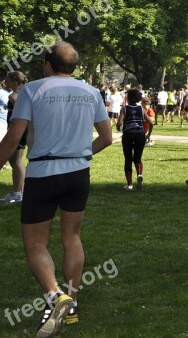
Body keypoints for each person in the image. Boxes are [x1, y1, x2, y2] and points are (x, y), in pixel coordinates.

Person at [0, 42, 113, 336]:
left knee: (35, 244)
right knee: (72, 238)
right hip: (78, 173)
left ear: (48, 64)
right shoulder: (91, 92)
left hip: (42, 173)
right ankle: (71, 306)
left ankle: (55, 295)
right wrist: (81, 154)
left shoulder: (32, 89)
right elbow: (107, 137)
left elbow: (13, 137)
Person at [116, 89, 154, 190]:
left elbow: (119, 123)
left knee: (128, 159)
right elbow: (151, 122)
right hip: (140, 134)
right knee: (137, 158)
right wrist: (148, 135)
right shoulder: (141, 109)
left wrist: (118, 127)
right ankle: (139, 175)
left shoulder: (124, 108)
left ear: (128, 98)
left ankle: (129, 185)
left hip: (128, 134)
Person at [0, 71, 28, 204]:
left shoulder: (14, 96)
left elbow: (21, 112)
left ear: (14, 81)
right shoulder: (25, 91)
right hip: (23, 131)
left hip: (17, 131)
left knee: (15, 161)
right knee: (17, 161)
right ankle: (18, 192)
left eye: (7, 79)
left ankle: (17, 193)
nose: (5, 81)